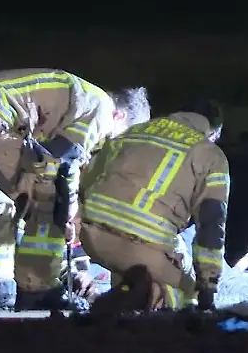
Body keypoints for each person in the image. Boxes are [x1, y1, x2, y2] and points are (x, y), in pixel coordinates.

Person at [0, 68, 150, 308]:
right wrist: (69, 208)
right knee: (23, 197)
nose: (106, 144)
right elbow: (64, 160)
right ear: (119, 116)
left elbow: (49, 155)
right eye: (113, 138)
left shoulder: (75, 99)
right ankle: (10, 292)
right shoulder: (101, 109)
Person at [77, 99, 230, 310]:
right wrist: (207, 283)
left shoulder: (132, 132)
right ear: (213, 132)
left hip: (92, 237)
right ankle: (150, 297)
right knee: (187, 294)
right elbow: (212, 222)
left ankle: (125, 295)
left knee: (133, 272)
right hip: (142, 243)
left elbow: (87, 181)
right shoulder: (209, 153)